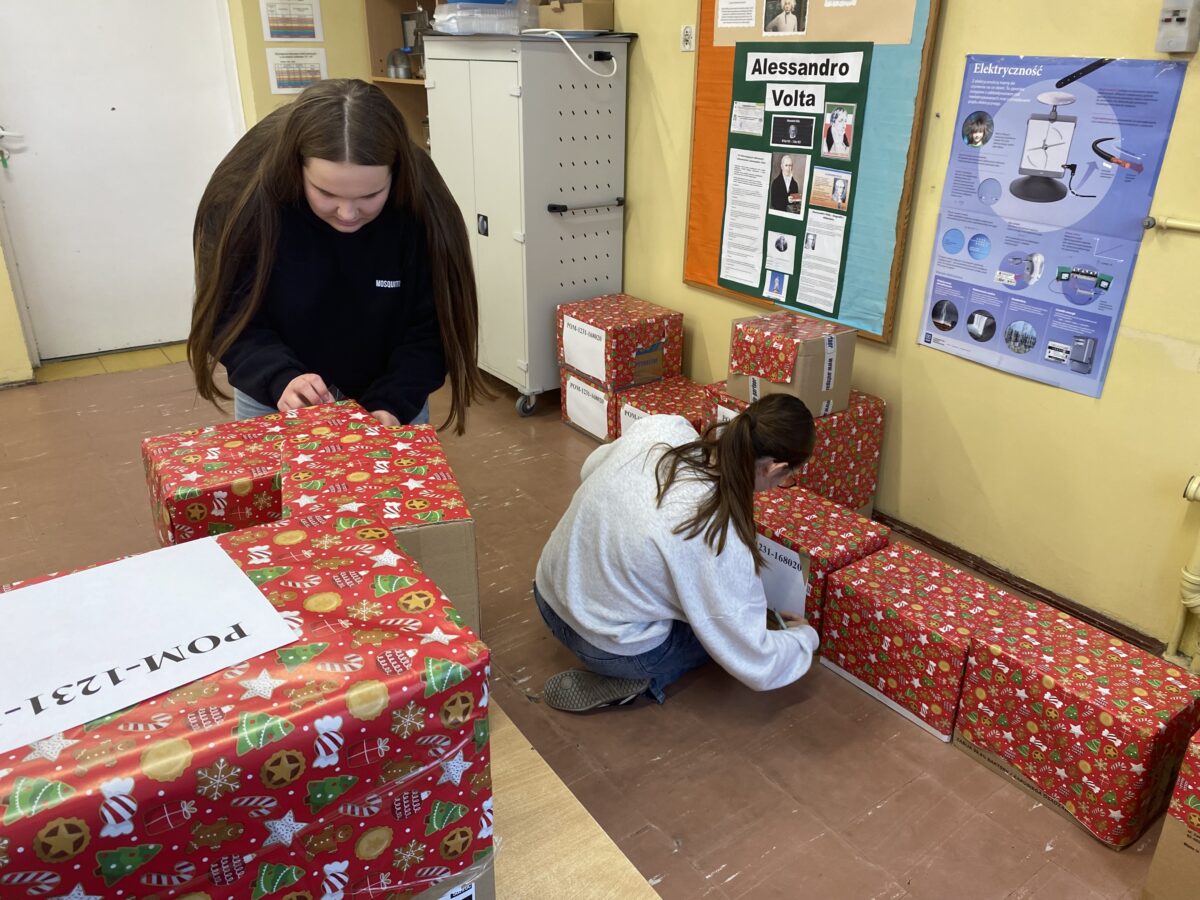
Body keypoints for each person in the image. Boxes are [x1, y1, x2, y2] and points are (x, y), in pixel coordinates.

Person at [188, 78, 488, 433]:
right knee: (277, 472)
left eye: (370, 196)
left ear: (395, 174)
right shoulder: (244, 200)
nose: (347, 214)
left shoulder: (423, 209)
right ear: (296, 167)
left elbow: (434, 330)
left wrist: (392, 403)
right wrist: (279, 378)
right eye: (326, 193)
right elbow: (229, 316)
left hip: (392, 394)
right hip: (274, 394)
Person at [534, 395, 821, 712]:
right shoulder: (719, 534)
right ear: (773, 468)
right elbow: (756, 660)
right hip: (603, 645)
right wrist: (804, 638)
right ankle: (638, 679)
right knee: (710, 635)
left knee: (696, 595)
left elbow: (589, 468)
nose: (783, 484)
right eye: (788, 478)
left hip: (548, 592)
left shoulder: (665, 428)